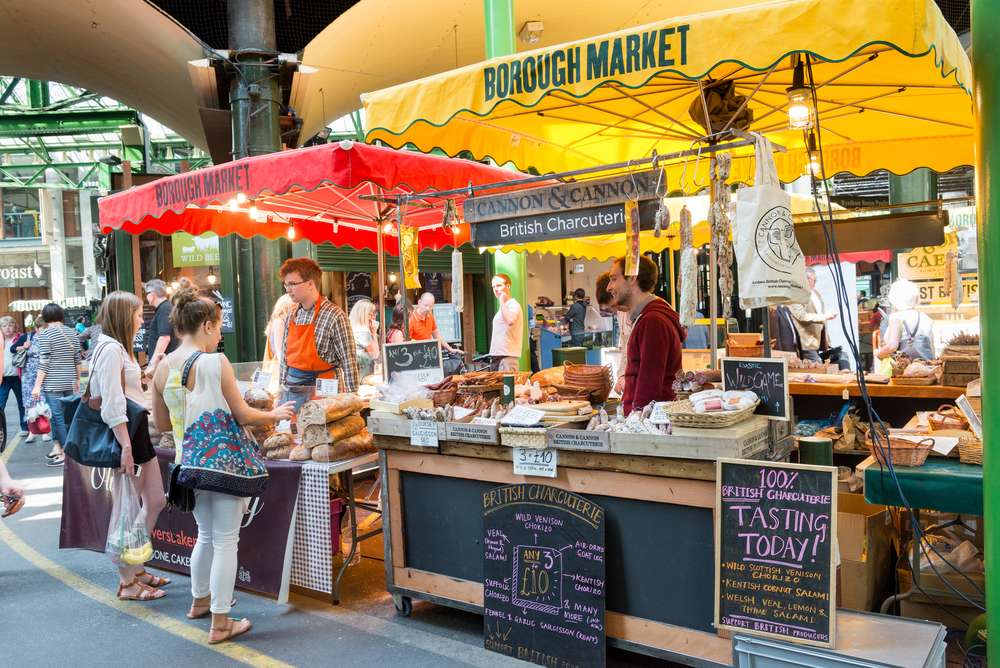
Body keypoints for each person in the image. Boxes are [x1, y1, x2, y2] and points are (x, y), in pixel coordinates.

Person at [151, 286, 294, 644]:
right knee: (227, 541)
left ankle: (200, 602)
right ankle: (220, 621)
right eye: (217, 328)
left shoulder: (162, 367)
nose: (219, 336)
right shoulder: (215, 363)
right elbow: (243, 413)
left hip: (187, 466)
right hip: (224, 466)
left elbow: (162, 424)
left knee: (205, 535)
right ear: (206, 325)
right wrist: (275, 413)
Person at [90, 291, 168, 601]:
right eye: (137, 315)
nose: (141, 320)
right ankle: (127, 581)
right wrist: (125, 445)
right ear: (124, 317)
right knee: (127, 508)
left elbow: (124, 391)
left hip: (136, 433)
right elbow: (112, 402)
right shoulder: (111, 349)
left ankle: (136, 567)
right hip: (127, 435)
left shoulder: (118, 348)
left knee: (154, 500)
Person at [607, 255, 685, 415]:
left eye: (614, 279)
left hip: (648, 422)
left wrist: (636, 419)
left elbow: (649, 386)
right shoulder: (648, 316)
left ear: (632, 278)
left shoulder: (652, 321)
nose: (609, 287)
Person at [278, 258, 359, 410]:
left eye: (292, 284)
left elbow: (349, 361)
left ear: (310, 284)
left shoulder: (335, 315)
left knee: (323, 425)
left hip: (324, 393)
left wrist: (352, 402)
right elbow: (284, 360)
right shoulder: (291, 316)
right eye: (286, 284)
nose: (287, 289)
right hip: (293, 393)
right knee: (294, 425)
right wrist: (280, 392)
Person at [31, 303, 81, 466]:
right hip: (71, 381)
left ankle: (67, 455)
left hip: (53, 382)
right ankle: (64, 449)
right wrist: (77, 381)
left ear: (45, 317)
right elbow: (77, 359)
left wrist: (37, 386)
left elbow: (44, 362)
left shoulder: (45, 334)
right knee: (69, 418)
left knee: (58, 418)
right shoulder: (72, 332)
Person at [876, 279, 934, 361]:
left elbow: (892, 346)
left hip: (904, 366)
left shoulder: (896, 317)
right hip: (926, 364)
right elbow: (931, 347)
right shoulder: (925, 318)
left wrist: (878, 354)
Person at [787, 267, 836, 363]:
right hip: (806, 341)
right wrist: (824, 316)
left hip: (818, 339)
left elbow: (819, 311)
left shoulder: (815, 292)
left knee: (826, 363)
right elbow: (801, 315)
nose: (815, 283)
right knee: (817, 365)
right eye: (814, 280)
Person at [596, 272, 631, 394]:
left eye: (612, 307)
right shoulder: (621, 312)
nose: (614, 311)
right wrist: (621, 375)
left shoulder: (646, 314)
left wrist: (627, 377)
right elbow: (626, 348)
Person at [14, 316, 43, 443]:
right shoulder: (28, 337)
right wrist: (23, 347)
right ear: (36, 328)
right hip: (29, 375)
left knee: (43, 402)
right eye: (41, 328)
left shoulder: (49, 338)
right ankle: (32, 431)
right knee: (29, 403)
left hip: (44, 374)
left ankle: (44, 430)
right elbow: (12, 348)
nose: (43, 330)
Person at [143, 279, 179, 379]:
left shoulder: (165, 308)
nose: (146, 297)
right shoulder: (165, 308)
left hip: (165, 366)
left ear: (152, 294)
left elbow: (164, 338)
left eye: (146, 294)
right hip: (165, 365)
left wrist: (152, 365)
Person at [489, 274, 523, 372]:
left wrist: (502, 301)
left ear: (508, 286)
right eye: (493, 287)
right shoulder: (504, 307)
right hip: (498, 355)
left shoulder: (513, 305)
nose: (496, 289)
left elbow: (510, 320)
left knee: (507, 382)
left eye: (499, 285)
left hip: (507, 356)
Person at [0, 316, 26, 437]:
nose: (7, 328)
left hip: (18, 377)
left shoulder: (20, 339)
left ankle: (24, 427)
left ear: (15, 326)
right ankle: (1, 429)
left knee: (22, 403)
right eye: (4, 326)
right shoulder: (1, 341)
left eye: (10, 325)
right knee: (1, 404)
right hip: (3, 378)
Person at [349, 300, 381, 378]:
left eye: (374, 314)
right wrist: (374, 332)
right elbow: (375, 354)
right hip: (363, 374)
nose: (374, 317)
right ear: (362, 315)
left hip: (355, 372)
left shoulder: (354, 327)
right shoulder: (362, 331)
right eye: (370, 314)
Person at [263, 294, 295, 363]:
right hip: (280, 366)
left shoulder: (279, 322)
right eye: (293, 306)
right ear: (286, 307)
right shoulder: (279, 322)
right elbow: (280, 352)